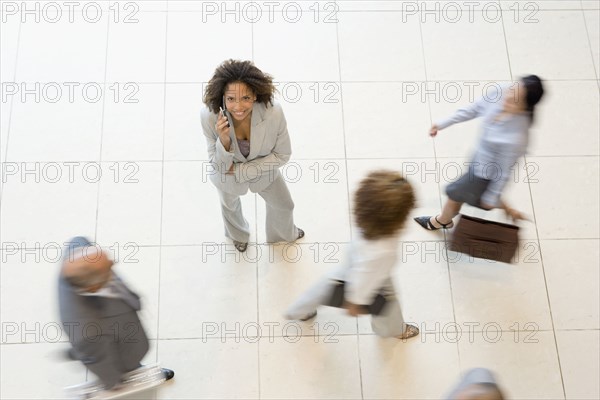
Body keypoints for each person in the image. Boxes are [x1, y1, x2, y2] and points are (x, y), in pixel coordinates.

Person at [285, 170, 420, 340]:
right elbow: (365, 277)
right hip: (374, 278)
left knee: (323, 289)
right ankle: (395, 329)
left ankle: (298, 311)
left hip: (350, 264)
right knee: (390, 307)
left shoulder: (367, 222)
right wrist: (355, 302)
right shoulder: (384, 250)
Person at [414, 75, 545, 230]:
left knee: (455, 194)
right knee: (464, 195)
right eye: (512, 90)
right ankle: (509, 210)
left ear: (526, 107)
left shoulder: (517, 137)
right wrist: (443, 123)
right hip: (477, 160)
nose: (509, 96)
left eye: (517, 99)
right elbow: (475, 108)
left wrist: (492, 197)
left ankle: (441, 221)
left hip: (484, 174)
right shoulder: (501, 91)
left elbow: (504, 171)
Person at [201, 59, 304, 252]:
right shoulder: (209, 116)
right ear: (222, 97)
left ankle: (282, 235)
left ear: (255, 94)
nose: (238, 106)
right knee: (229, 207)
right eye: (231, 99)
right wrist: (223, 141)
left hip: (263, 173)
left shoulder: (273, 113)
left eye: (245, 98)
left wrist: (240, 171)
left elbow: (282, 154)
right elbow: (220, 167)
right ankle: (238, 236)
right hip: (226, 177)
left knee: (284, 205)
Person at [58, 237, 174, 391]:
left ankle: (81, 353)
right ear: (94, 286)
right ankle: (130, 370)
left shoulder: (80, 248)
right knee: (118, 360)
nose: (114, 263)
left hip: (113, 331)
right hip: (114, 342)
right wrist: (112, 383)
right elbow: (101, 364)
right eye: (108, 268)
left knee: (93, 350)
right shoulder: (87, 329)